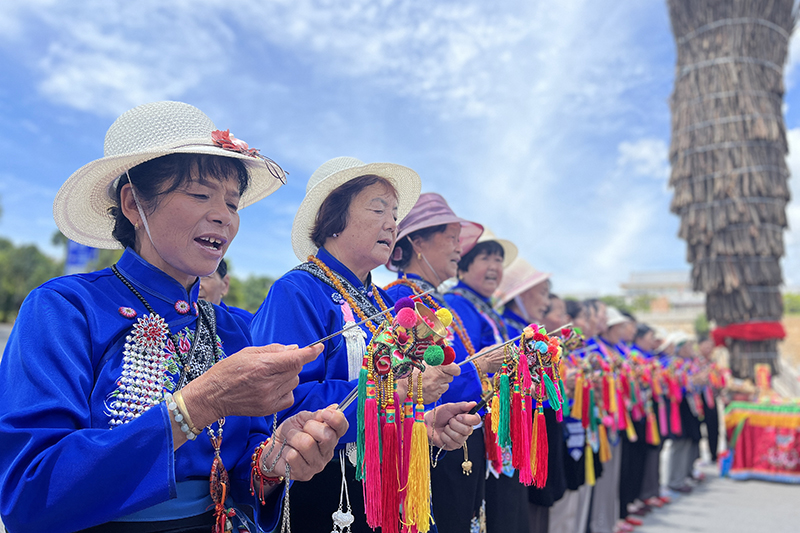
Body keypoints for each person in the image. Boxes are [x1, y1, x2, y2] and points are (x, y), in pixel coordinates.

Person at [0, 101, 348, 533]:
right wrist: (200, 403)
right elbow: (29, 492)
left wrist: (276, 459)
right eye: (200, 194)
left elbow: (242, 474)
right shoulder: (65, 310)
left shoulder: (232, 328)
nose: (224, 215)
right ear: (134, 203)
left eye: (233, 203)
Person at [250, 157, 480, 533]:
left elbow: (396, 402)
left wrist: (425, 424)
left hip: (394, 487)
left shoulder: (386, 305)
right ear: (333, 219)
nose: (393, 223)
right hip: (331, 492)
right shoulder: (297, 292)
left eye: (394, 213)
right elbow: (277, 404)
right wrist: (397, 390)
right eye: (378, 209)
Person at [384, 192, 503, 532]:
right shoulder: (399, 299)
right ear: (418, 242)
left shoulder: (438, 302)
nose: (458, 248)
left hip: (459, 435)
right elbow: (409, 380)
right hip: (432, 442)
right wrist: (478, 368)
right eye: (450, 238)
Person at [444, 229, 531, 533]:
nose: (495, 265)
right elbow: (460, 366)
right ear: (464, 264)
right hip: (467, 426)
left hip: (496, 426)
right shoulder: (455, 304)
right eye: (486, 258)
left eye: (499, 259)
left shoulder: (486, 308)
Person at [199, 258, 254, 326]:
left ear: (225, 284)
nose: (197, 286)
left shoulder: (247, 323)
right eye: (189, 277)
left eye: (205, 276)